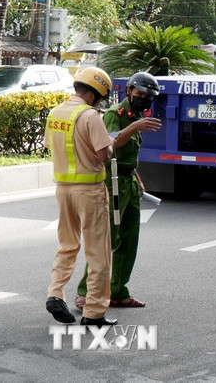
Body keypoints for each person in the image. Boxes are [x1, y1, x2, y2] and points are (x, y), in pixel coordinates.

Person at [75, 72, 162, 310]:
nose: (143, 98)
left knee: (128, 240)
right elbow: (110, 145)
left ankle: (118, 291)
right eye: (139, 93)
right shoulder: (116, 115)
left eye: (148, 96)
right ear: (128, 91)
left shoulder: (135, 116)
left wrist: (137, 179)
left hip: (128, 181)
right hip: (111, 182)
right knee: (106, 240)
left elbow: (127, 157)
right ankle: (85, 292)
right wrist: (134, 127)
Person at [45, 67, 117, 327]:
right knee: (98, 251)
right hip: (90, 191)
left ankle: (55, 293)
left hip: (62, 190)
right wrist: (109, 143)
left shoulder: (55, 113)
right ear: (96, 94)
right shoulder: (90, 116)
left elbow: (52, 146)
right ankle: (94, 312)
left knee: (67, 245)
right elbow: (102, 155)